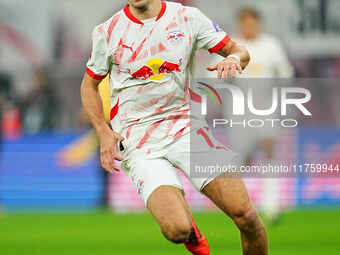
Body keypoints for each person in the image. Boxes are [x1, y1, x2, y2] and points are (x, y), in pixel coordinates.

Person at [81, 1, 268, 255]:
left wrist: (234, 58)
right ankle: (190, 229)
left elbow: (239, 50)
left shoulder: (187, 18)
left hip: (187, 129)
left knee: (246, 216)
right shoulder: (107, 31)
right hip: (139, 142)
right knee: (177, 230)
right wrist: (103, 131)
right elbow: (89, 86)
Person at [200, 7, 294, 222]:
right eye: (246, 23)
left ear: (259, 23)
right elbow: (210, 75)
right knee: (242, 159)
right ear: (241, 24)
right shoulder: (230, 46)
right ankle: (232, 203)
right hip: (238, 113)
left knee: (269, 151)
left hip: (267, 110)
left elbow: (286, 74)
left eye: (253, 23)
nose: (249, 27)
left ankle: (272, 207)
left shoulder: (271, 45)